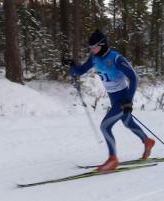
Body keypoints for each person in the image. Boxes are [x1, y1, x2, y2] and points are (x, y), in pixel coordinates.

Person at [65, 29, 155, 172]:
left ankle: (112, 159)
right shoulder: (94, 58)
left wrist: (128, 100)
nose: (92, 50)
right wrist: (72, 65)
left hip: (122, 98)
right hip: (113, 98)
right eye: (90, 48)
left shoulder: (116, 59)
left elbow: (133, 77)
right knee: (127, 122)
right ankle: (147, 141)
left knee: (105, 126)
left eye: (94, 47)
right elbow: (80, 71)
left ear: (102, 45)